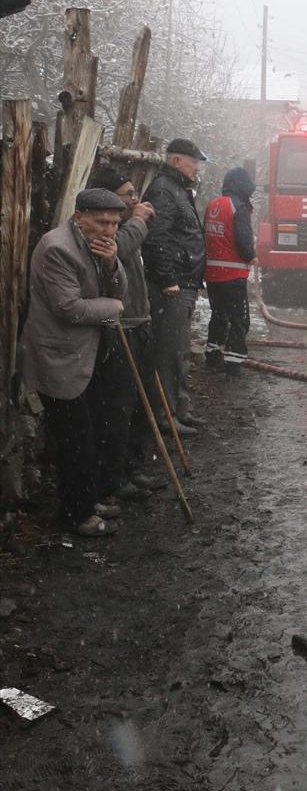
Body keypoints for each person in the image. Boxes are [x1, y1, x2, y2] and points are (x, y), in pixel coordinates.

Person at [20, 189, 128, 536]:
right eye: (101, 221)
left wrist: (112, 263)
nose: (109, 230)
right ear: (79, 216)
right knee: (74, 440)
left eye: (114, 223)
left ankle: (86, 499)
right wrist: (113, 309)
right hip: (61, 357)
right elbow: (69, 309)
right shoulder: (57, 249)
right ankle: (76, 516)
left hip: (89, 354)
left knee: (93, 430)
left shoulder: (100, 246)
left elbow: (118, 288)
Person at [89, 165, 161, 496]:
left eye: (135, 194)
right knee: (118, 407)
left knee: (140, 404)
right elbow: (122, 245)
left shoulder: (124, 224)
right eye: (127, 195)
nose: (135, 200)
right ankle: (113, 477)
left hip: (139, 322)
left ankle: (133, 466)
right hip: (120, 327)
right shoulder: (106, 231)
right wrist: (139, 219)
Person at [142, 138, 207, 435]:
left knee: (179, 350)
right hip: (174, 285)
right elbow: (157, 238)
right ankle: (165, 415)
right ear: (177, 160)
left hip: (185, 282)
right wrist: (168, 279)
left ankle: (180, 409)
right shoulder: (164, 190)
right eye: (194, 161)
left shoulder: (179, 189)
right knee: (168, 352)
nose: (197, 167)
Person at [203, 167, 256, 378]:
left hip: (213, 275)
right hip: (232, 276)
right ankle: (233, 363)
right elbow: (243, 240)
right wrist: (251, 255)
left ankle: (213, 354)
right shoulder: (238, 207)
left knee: (219, 316)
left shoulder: (213, 204)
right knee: (239, 319)